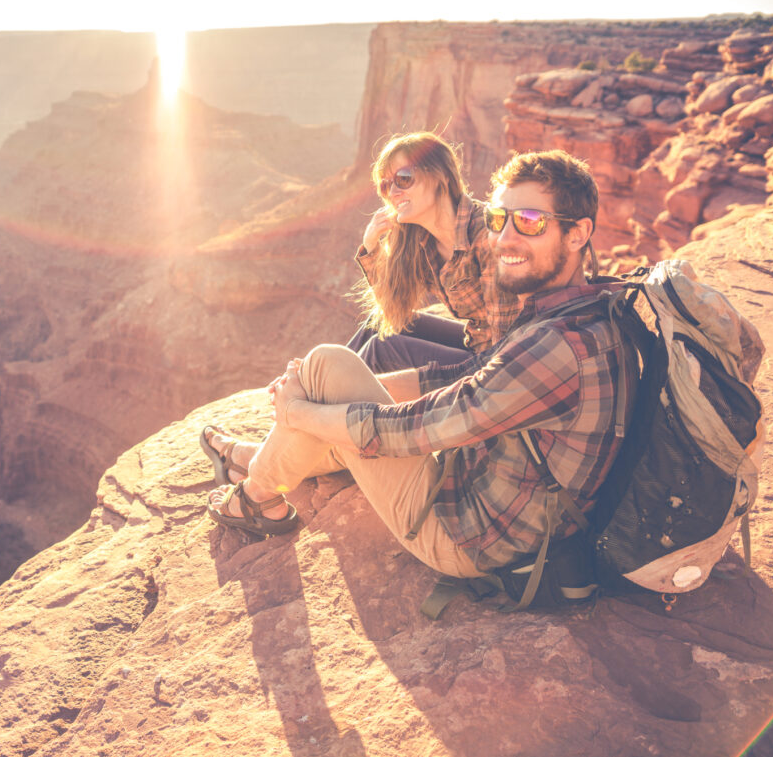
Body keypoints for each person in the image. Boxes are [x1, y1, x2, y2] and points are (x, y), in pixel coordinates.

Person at [201, 150, 628, 577]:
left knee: (324, 370)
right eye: (498, 219)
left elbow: (416, 428)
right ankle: (259, 461)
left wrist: (298, 410)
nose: (504, 238)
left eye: (530, 222)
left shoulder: (553, 346)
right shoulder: (571, 313)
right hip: (483, 491)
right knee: (343, 371)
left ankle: (256, 496)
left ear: (578, 234)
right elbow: (466, 372)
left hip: (468, 537)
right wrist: (350, 394)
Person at [347, 132, 548, 373]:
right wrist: (371, 247)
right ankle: (312, 383)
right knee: (373, 328)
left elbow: (505, 346)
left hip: (508, 361)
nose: (392, 194)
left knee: (382, 349)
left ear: (439, 176)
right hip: (477, 345)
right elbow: (392, 310)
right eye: (385, 185)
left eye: (403, 178)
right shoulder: (421, 242)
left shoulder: (487, 236)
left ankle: (317, 401)